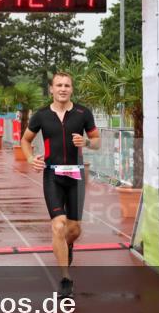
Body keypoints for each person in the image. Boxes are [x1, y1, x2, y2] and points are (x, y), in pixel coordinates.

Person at [21, 72, 100, 298]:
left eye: (67, 85)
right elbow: (25, 140)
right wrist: (29, 158)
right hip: (52, 176)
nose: (63, 89)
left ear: (71, 89)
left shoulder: (83, 113)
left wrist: (86, 141)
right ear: (51, 90)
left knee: (74, 229)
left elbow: (96, 142)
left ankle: (67, 246)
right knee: (58, 226)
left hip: (76, 177)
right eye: (59, 85)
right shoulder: (41, 115)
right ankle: (66, 278)